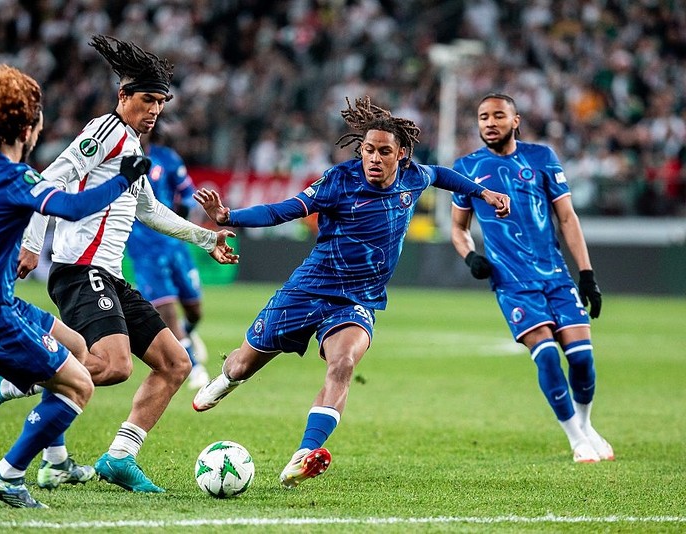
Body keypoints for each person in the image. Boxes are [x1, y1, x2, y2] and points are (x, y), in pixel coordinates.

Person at [0, 35, 239, 493]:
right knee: (114, 365)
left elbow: (149, 209)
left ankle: (117, 457)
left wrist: (207, 239)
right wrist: (31, 242)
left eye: (161, 102)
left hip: (109, 276)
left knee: (175, 362)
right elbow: (49, 179)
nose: (155, 110)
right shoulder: (105, 132)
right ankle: (13, 380)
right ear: (123, 96)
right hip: (81, 271)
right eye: (147, 100)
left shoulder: (133, 147)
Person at [191, 96, 511, 488]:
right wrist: (230, 217)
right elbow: (283, 210)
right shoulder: (339, 181)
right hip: (309, 289)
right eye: (368, 150)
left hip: (357, 300)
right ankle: (226, 379)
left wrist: (483, 194)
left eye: (384, 152)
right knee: (242, 365)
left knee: (342, 364)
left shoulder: (413, 177)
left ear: (401, 154)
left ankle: (304, 454)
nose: (374, 158)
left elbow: (443, 175)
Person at [0, 64, 149, 507]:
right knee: (80, 385)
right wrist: (122, 179)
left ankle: (56, 461)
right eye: (38, 122)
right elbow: (73, 208)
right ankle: (7, 474)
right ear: (26, 128)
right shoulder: (16, 179)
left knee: (77, 346)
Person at [450, 93, 614, 464]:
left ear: (516, 120)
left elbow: (567, 218)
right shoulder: (467, 168)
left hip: (555, 276)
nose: (489, 122)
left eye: (498, 115)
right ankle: (576, 438)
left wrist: (586, 274)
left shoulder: (542, 158)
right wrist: (471, 256)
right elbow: (458, 228)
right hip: (512, 283)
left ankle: (586, 424)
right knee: (548, 358)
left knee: (582, 359)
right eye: (483, 117)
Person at [125, 139, 210, 390]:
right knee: (167, 311)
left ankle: (187, 333)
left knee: (195, 310)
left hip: (175, 246)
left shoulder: (167, 158)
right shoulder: (119, 158)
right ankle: (195, 368)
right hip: (145, 251)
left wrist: (185, 213)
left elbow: (188, 194)